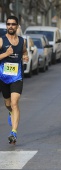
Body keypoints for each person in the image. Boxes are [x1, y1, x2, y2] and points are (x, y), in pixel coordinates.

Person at [0, 16, 28, 144]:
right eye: (9, 24)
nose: (11, 26)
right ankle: (11, 112)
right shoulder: (1, 40)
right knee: (8, 104)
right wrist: (5, 54)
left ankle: (14, 132)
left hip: (17, 76)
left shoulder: (22, 41)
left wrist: (26, 56)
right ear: (7, 26)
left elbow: (24, 51)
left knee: (15, 102)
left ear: (17, 26)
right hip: (3, 77)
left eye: (13, 24)